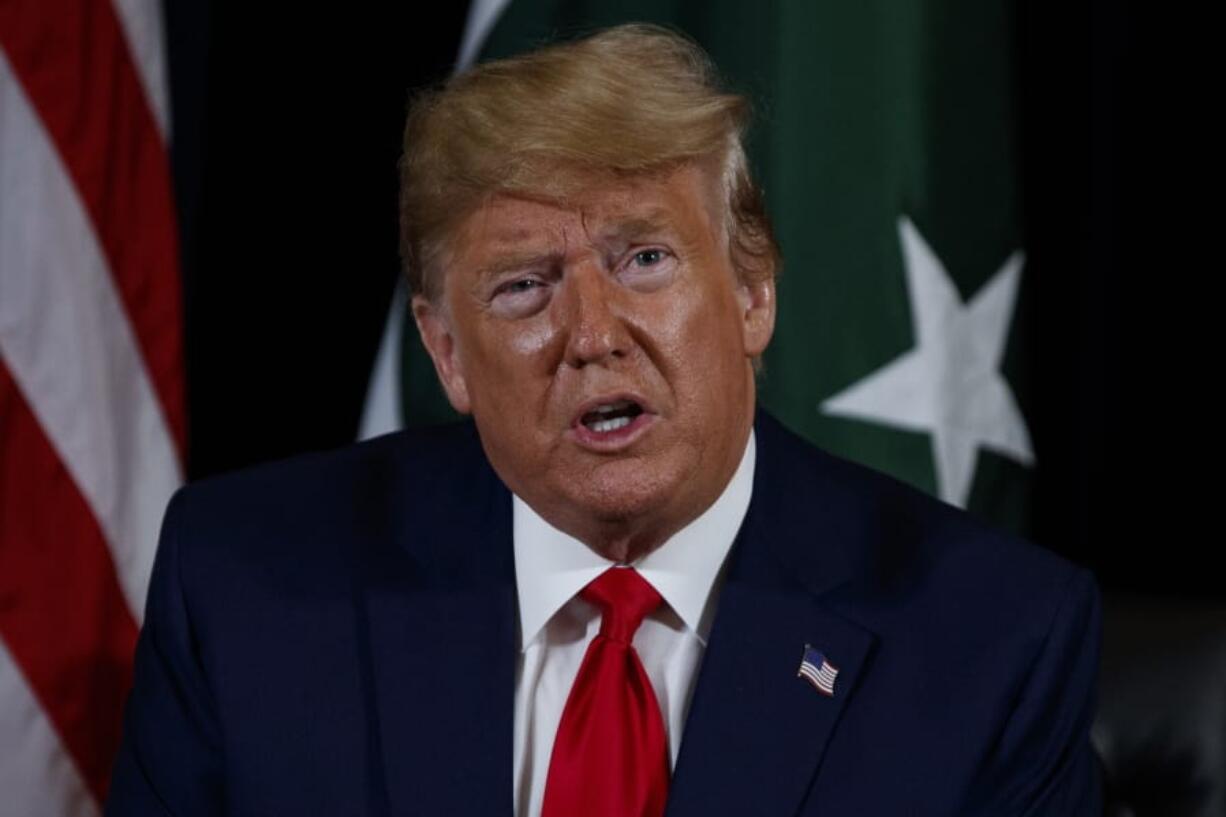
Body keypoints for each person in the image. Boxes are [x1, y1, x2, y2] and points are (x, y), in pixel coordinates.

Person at [107, 24, 1101, 817]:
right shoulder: (247, 592)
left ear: (751, 290)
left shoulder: (985, 638)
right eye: (524, 287)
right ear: (446, 353)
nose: (591, 335)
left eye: (644, 261)